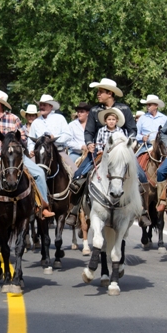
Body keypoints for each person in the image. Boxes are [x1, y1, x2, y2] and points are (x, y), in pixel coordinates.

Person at [66, 78, 151, 227]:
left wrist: (129, 143)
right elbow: (89, 131)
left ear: (109, 93)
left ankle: (142, 211)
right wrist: (89, 143)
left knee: (142, 177)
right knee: (79, 175)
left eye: (100, 92)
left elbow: (132, 129)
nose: (98, 94)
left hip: (121, 152)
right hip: (99, 152)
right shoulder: (94, 110)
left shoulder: (124, 109)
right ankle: (74, 210)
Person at [0, 89, 55, 222]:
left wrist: (16, 143)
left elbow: (23, 137)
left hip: (16, 158)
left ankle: (43, 207)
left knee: (39, 173)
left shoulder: (13, 119)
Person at [28, 94, 74, 168]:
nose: (41, 107)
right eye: (40, 105)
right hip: (40, 155)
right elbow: (30, 140)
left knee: (75, 172)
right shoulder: (35, 122)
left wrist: (54, 137)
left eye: (44, 105)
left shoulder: (60, 118)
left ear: (51, 106)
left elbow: (68, 135)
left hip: (59, 152)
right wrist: (31, 150)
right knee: (27, 171)